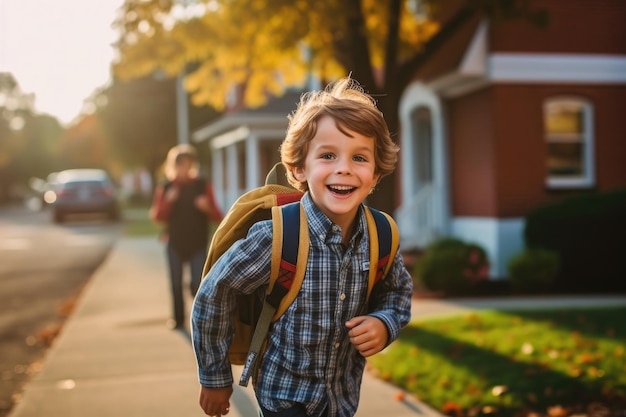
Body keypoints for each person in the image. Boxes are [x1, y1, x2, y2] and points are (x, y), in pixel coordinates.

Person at [191, 77, 413, 417]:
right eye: (327, 155)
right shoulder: (276, 236)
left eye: (360, 157)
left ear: (376, 173)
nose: (344, 168)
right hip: (283, 397)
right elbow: (214, 293)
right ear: (299, 168)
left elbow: (398, 292)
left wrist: (385, 323)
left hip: (342, 400)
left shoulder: (381, 235)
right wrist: (214, 377)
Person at [150, 144, 223, 330]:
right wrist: (168, 202)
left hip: (198, 243)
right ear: (173, 166)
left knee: (198, 285)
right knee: (175, 283)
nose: (185, 169)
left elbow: (218, 217)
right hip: (174, 243)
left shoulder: (202, 185)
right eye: (181, 165)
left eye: (188, 164)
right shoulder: (166, 187)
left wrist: (207, 208)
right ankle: (178, 319)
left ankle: (199, 318)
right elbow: (157, 216)